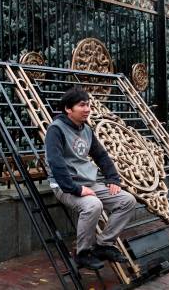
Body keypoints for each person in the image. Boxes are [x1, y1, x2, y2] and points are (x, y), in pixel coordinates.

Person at [44, 86, 136, 270]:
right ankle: (83, 253)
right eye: (82, 105)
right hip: (65, 186)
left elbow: (101, 155)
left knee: (127, 201)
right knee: (93, 205)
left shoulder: (86, 129)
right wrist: (76, 189)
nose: (87, 109)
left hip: (88, 183)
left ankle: (103, 245)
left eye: (88, 105)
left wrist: (113, 178)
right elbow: (56, 163)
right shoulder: (56, 130)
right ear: (68, 109)